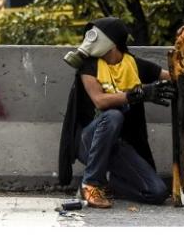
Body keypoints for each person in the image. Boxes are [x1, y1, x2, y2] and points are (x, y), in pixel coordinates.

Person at [58, 17, 177, 208]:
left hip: (118, 146)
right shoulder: (89, 66)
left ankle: (110, 185)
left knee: (158, 192)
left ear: (112, 43)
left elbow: (172, 77)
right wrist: (138, 95)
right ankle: (91, 183)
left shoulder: (133, 65)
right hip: (89, 140)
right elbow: (100, 100)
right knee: (113, 115)